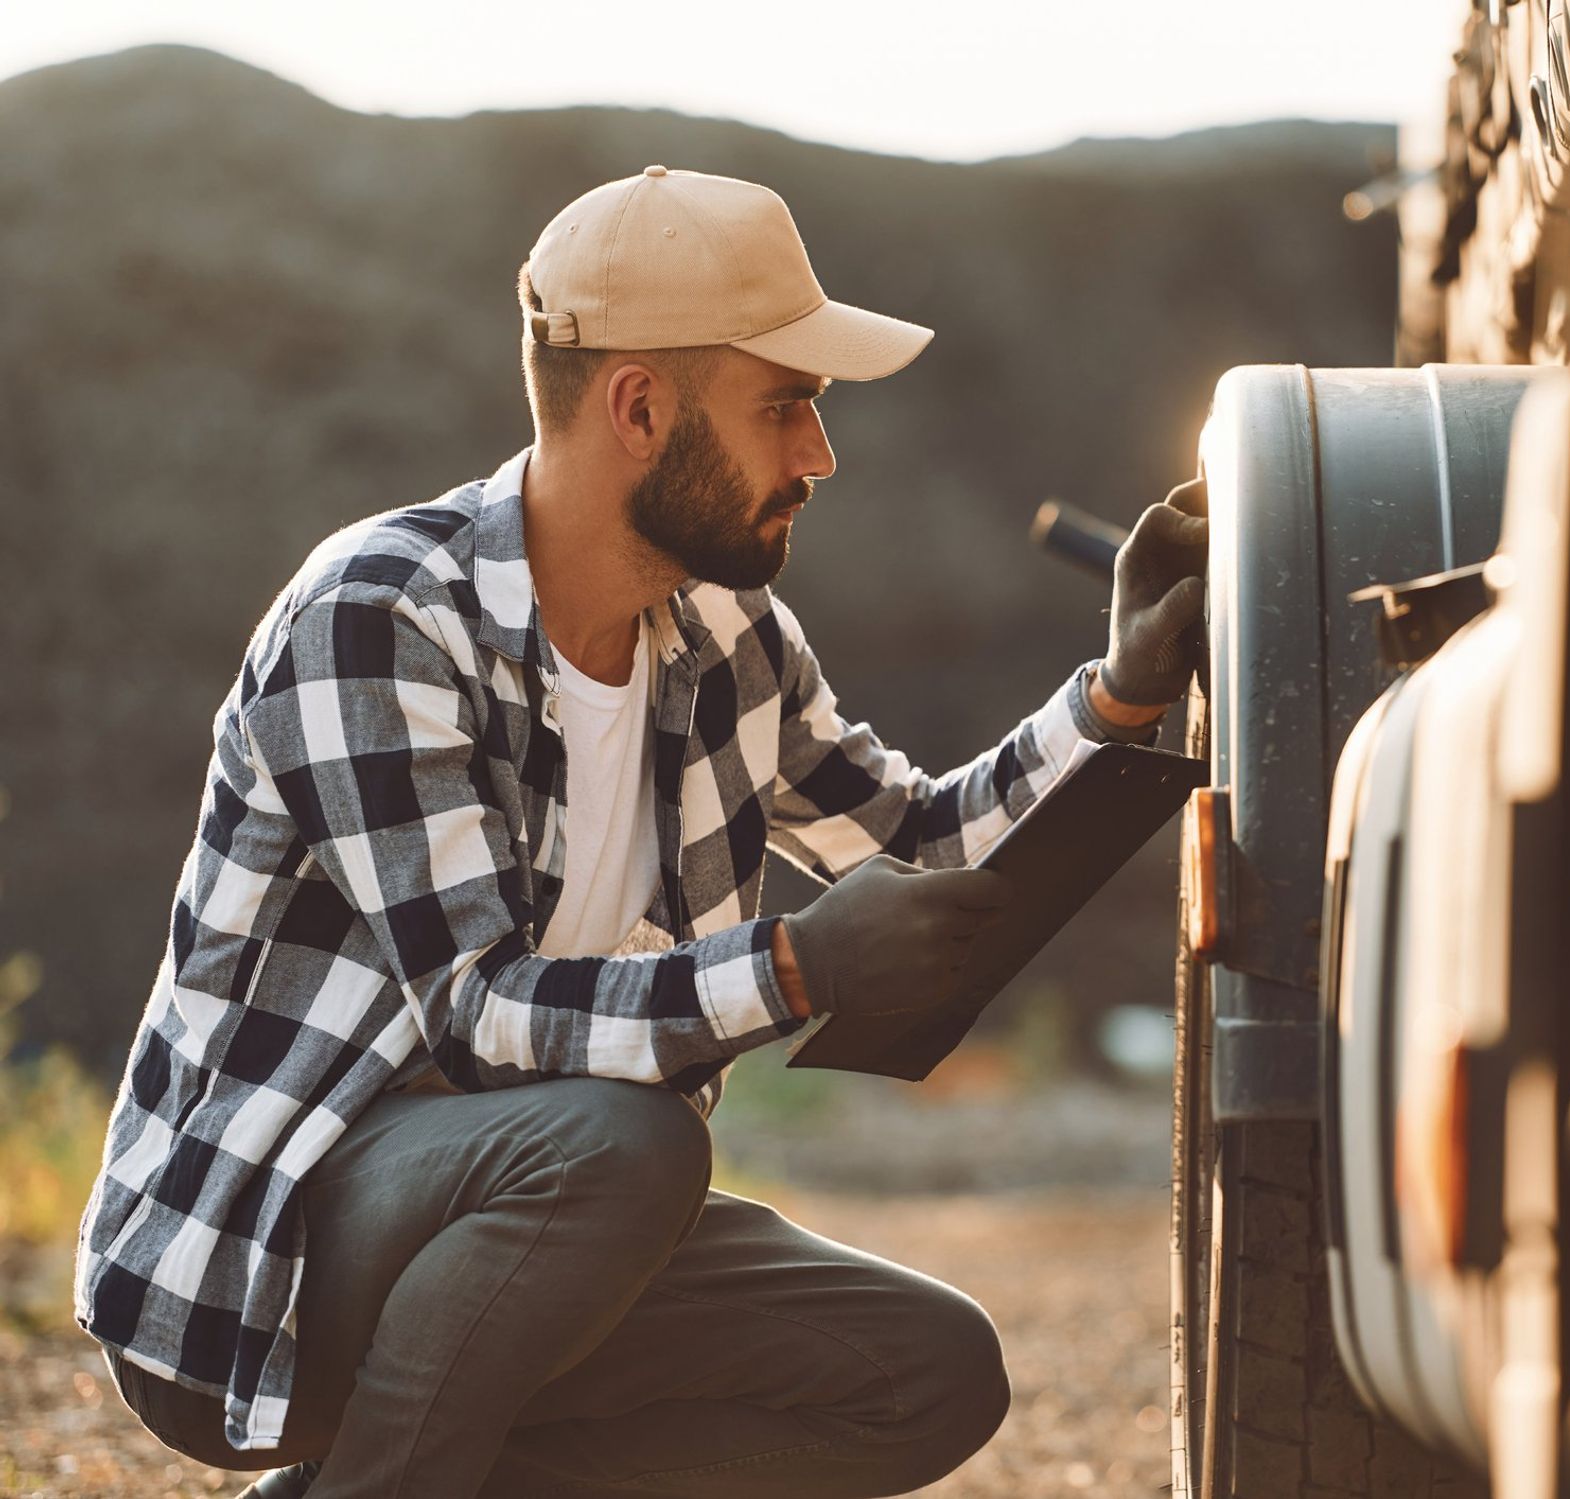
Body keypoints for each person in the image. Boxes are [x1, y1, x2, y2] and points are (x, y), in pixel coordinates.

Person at [72, 165, 1209, 1499]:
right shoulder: (378, 621)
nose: (817, 457)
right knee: (625, 1143)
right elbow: (481, 1008)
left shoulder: (729, 639)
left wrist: (1119, 695)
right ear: (637, 407)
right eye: (787, 407)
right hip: (266, 1270)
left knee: (926, 1370)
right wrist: (792, 971)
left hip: (545, 1234)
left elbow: (919, 848)